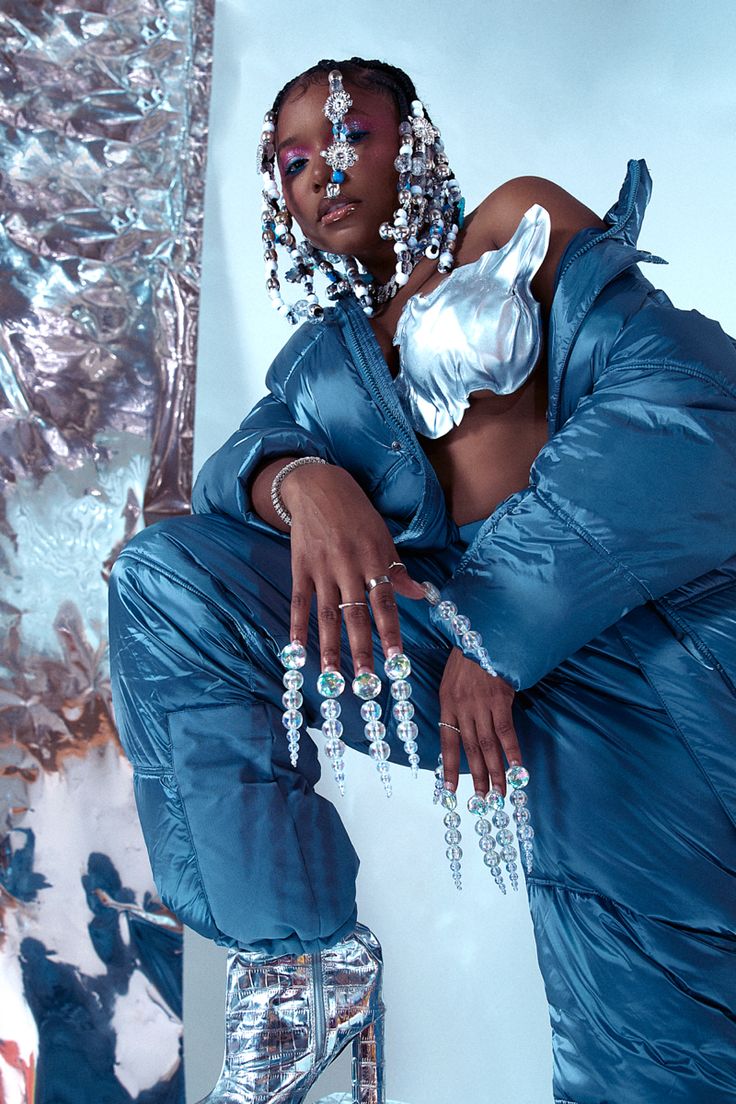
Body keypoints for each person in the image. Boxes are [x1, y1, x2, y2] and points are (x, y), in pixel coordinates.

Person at [108, 56, 736, 1104]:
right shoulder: (326, 362)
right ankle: (301, 961)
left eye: (351, 135)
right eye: (296, 159)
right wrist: (302, 481)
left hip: (628, 652)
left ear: (416, 144)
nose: (324, 172)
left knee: (650, 1055)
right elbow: (233, 475)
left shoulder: (514, 226)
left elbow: (682, 411)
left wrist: (496, 634)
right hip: (448, 659)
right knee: (169, 584)